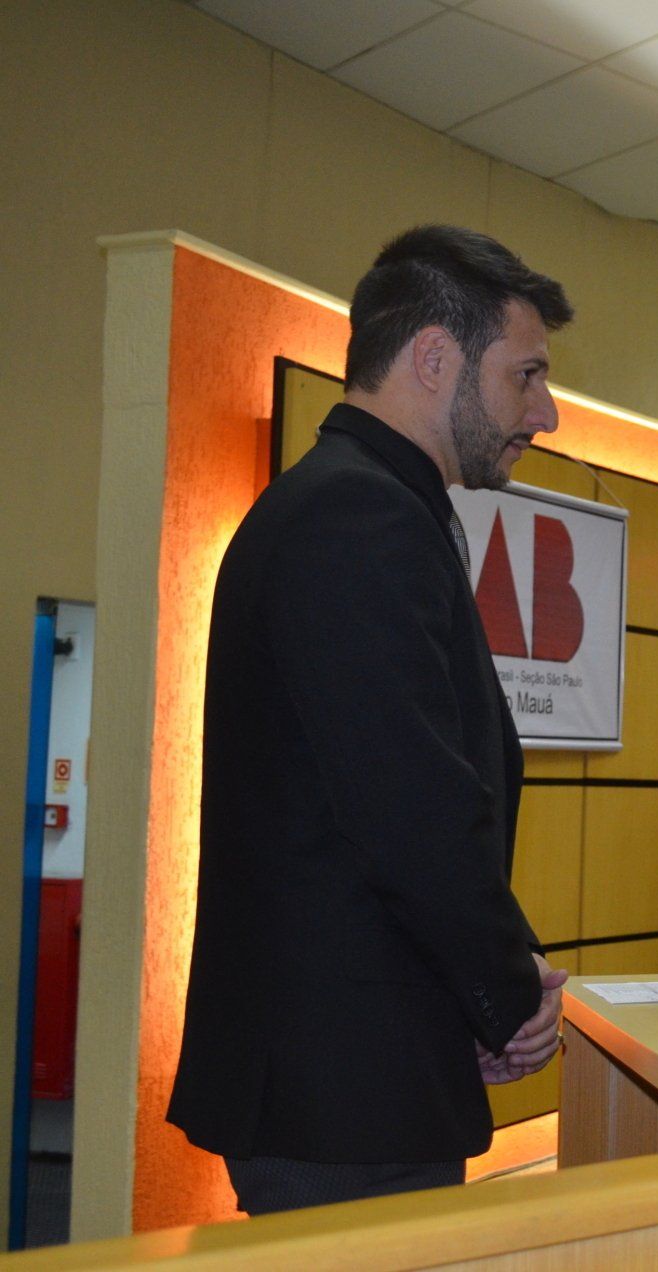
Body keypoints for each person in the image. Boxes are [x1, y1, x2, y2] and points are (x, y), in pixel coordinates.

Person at [167, 225, 573, 1215]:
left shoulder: (362, 504)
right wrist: (507, 993)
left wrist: (489, 986)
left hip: (347, 1081)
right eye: (525, 375)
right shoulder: (358, 517)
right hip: (340, 1093)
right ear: (435, 357)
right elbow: (410, 805)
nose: (546, 413)